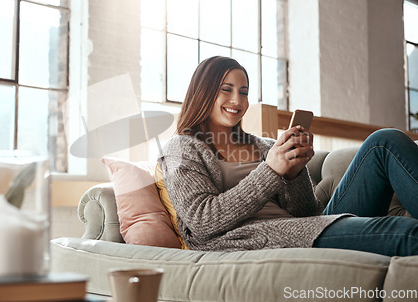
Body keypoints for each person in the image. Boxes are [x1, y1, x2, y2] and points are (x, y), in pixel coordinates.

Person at [158, 56, 418, 256]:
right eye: (226, 89)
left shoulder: (266, 146)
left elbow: (307, 214)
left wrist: (293, 174)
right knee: (404, 233)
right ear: (203, 92)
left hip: (306, 227)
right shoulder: (181, 148)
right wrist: (271, 171)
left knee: (383, 141)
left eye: (244, 92)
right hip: (258, 237)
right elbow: (203, 221)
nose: (237, 100)